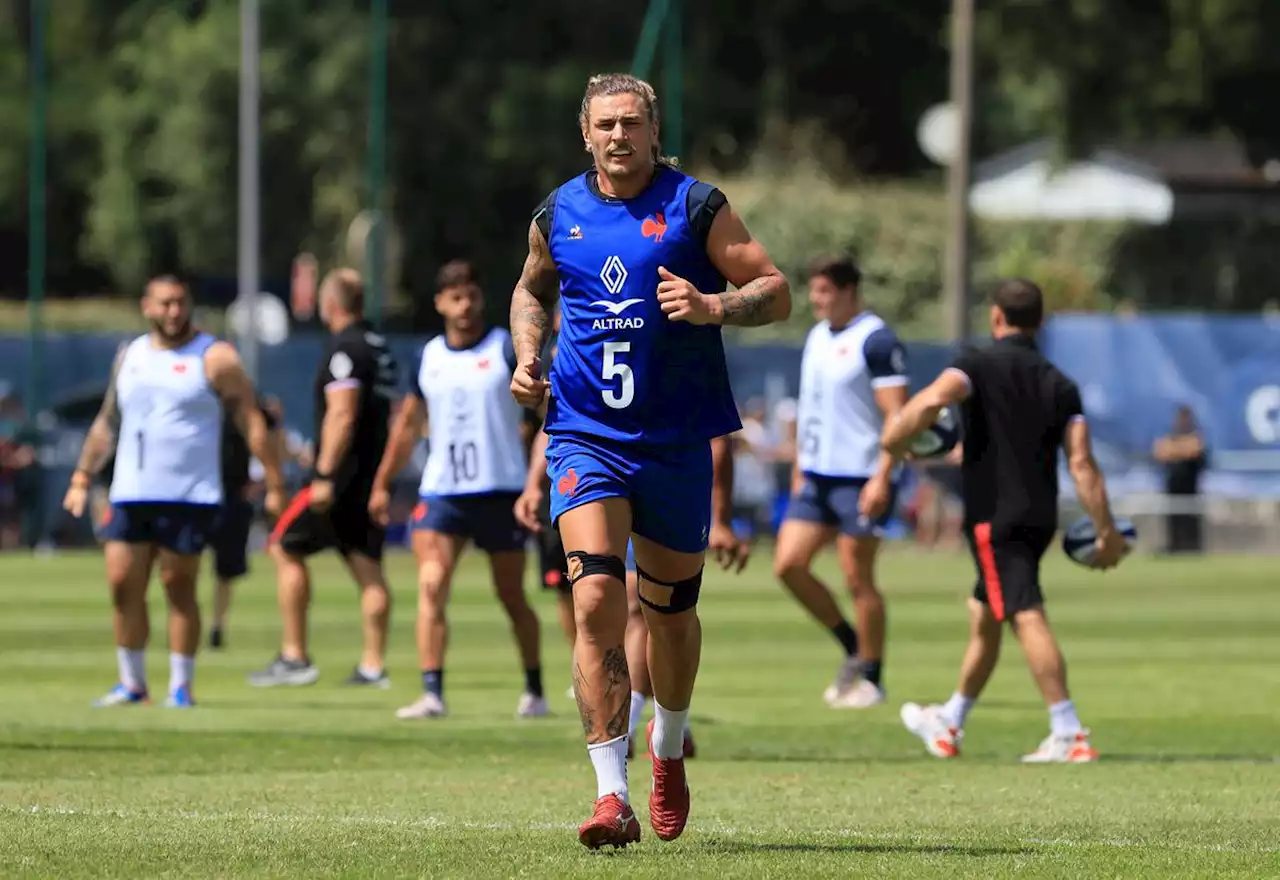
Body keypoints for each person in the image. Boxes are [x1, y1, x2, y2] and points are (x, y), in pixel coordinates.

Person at [508, 72, 790, 849]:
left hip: (672, 445)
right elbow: (530, 292)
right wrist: (528, 355)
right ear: (586, 133)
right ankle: (610, 794)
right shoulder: (556, 212)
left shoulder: (696, 205)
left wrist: (712, 307)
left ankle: (668, 746)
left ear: (654, 130)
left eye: (632, 122)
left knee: (671, 617)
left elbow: (774, 288)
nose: (619, 136)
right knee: (596, 600)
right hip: (583, 434)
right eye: (606, 125)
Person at [882, 279, 1126, 763]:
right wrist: (1106, 529)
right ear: (1039, 322)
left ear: (996, 316)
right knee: (985, 614)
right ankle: (951, 719)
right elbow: (1082, 464)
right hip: (1039, 518)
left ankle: (1068, 729)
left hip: (994, 518)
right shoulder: (1061, 383)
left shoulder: (976, 364)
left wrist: (894, 442)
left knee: (1024, 613)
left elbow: (930, 402)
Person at [60, 275, 284, 707]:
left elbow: (252, 422)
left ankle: (180, 685)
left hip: (189, 493)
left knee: (177, 586)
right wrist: (82, 476)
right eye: (165, 303)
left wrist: (273, 482)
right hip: (130, 490)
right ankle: (132, 682)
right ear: (147, 306)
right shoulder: (131, 355)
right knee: (123, 583)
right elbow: (108, 421)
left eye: (181, 303)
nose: (174, 312)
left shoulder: (215, 357)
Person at [368, 259, 546, 719]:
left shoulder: (504, 348)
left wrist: (534, 478)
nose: (464, 305)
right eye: (454, 297)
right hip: (443, 492)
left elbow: (541, 415)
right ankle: (432, 692)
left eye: (470, 296)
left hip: (500, 491)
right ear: (440, 304)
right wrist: (383, 484)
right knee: (431, 584)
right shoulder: (428, 357)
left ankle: (534, 689)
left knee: (511, 595)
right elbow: (407, 427)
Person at [516, 431, 751, 759]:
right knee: (612, 600)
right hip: (597, 474)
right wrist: (533, 483)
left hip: (660, 473)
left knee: (661, 610)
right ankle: (632, 741)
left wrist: (721, 518)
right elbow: (552, 415)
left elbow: (719, 435)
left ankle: (660, 725)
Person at [250, 268, 399, 688]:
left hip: (341, 479)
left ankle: (295, 656)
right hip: (369, 476)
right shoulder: (377, 345)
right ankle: (373, 667)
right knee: (367, 567)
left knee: (283, 545)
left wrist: (324, 473)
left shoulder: (345, 347)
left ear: (330, 304)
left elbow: (342, 412)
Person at [773, 256, 908, 710]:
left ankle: (872, 677)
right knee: (788, 565)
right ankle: (852, 644)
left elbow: (898, 417)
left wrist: (883, 477)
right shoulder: (816, 336)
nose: (816, 299)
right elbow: (811, 408)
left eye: (825, 291)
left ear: (850, 292)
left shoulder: (876, 340)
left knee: (857, 577)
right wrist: (799, 466)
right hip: (816, 476)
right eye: (814, 291)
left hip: (862, 477)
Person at [208, 394, 281, 649]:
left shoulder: (246, 399)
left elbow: (269, 432)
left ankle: (217, 625)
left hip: (230, 493)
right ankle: (209, 623)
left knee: (225, 570)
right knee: (181, 564)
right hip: (195, 491)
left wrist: (270, 480)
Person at [1152, 404, 1208, 554]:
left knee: (1190, 518)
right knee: (1172, 519)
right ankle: (1174, 546)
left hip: (1190, 487)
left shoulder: (1195, 435)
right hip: (1173, 485)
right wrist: (1179, 449)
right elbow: (1160, 451)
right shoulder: (1171, 435)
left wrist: (1175, 450)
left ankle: (1191, 547)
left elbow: (1195, 449)